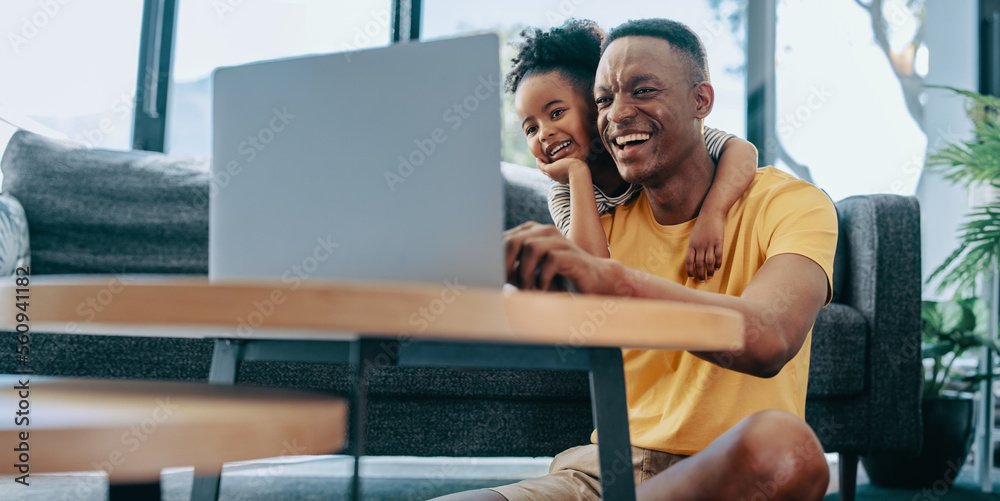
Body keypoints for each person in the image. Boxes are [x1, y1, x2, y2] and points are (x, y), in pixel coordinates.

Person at [437, 18, 837, 501]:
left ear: (701, 101)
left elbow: (770, 338)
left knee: (784, 449)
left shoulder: (789, 203)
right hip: (602, 474)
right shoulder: (594, 221)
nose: (619, 113)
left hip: (730, 473)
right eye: (604, 99)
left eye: (643, 91)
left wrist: (609, 280)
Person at [506, 19, 758, 282]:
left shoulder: (651, 148)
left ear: (596, 108)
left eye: (556, 113)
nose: (544, 134)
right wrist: (577, 172)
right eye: (530, 129)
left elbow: (740, 151)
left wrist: (712, 213)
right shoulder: (564, 193)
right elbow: (589, 267)